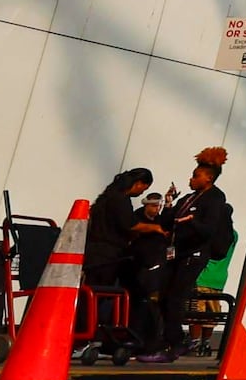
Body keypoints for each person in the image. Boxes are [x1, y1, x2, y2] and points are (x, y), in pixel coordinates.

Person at [154, 149, 234, 363]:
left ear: (209, 178)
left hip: (194, 255)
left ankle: (175, 342)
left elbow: (209, 229)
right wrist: (169, 204)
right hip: (177, 253)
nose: (191, 179)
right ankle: (168, 339)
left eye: (196, 176)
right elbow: (167, 223)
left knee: (176, 297)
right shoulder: (188, 198)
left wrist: (192, 222)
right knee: (164, 296)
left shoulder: (215, 198)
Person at [85, 166, 160, 363]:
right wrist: (155, 228)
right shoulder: (121, 200)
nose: (141, 193)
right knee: (102, 296)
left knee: (93, 294)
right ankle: (92, 337)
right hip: (108, 254)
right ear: (138, 184)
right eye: (143, 188)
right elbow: (130, 225)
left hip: (95, 252)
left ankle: (89, 335)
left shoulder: (107, 197)